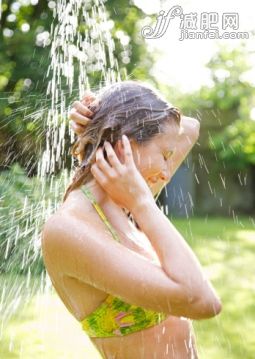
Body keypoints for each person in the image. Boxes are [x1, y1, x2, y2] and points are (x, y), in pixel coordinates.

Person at [41, 80, 222, 359]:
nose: (165, 172)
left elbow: (191, 128)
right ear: (126, 143)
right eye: (165, 155)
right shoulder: (70, 228)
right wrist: (143, 204)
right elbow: (202, 301)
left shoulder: (119, 200)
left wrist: (102, 118)